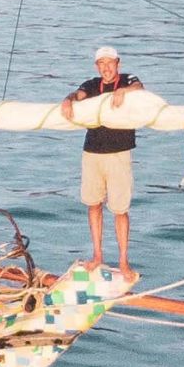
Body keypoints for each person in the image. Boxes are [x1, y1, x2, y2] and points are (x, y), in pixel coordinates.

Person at [60, 46, 144, 278]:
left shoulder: (129, 80)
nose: (106, 68)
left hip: (119, 153)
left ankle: (124, 261)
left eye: (110, 63)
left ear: (118, 63)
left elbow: (139, 88)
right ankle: (97, 255)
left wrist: (125, 92)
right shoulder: (91, 85)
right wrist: (67, 101)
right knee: (93, 203)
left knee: (119, 209)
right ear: (97, 66)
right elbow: (77, 95)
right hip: (92, 152)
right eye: (101, 64)